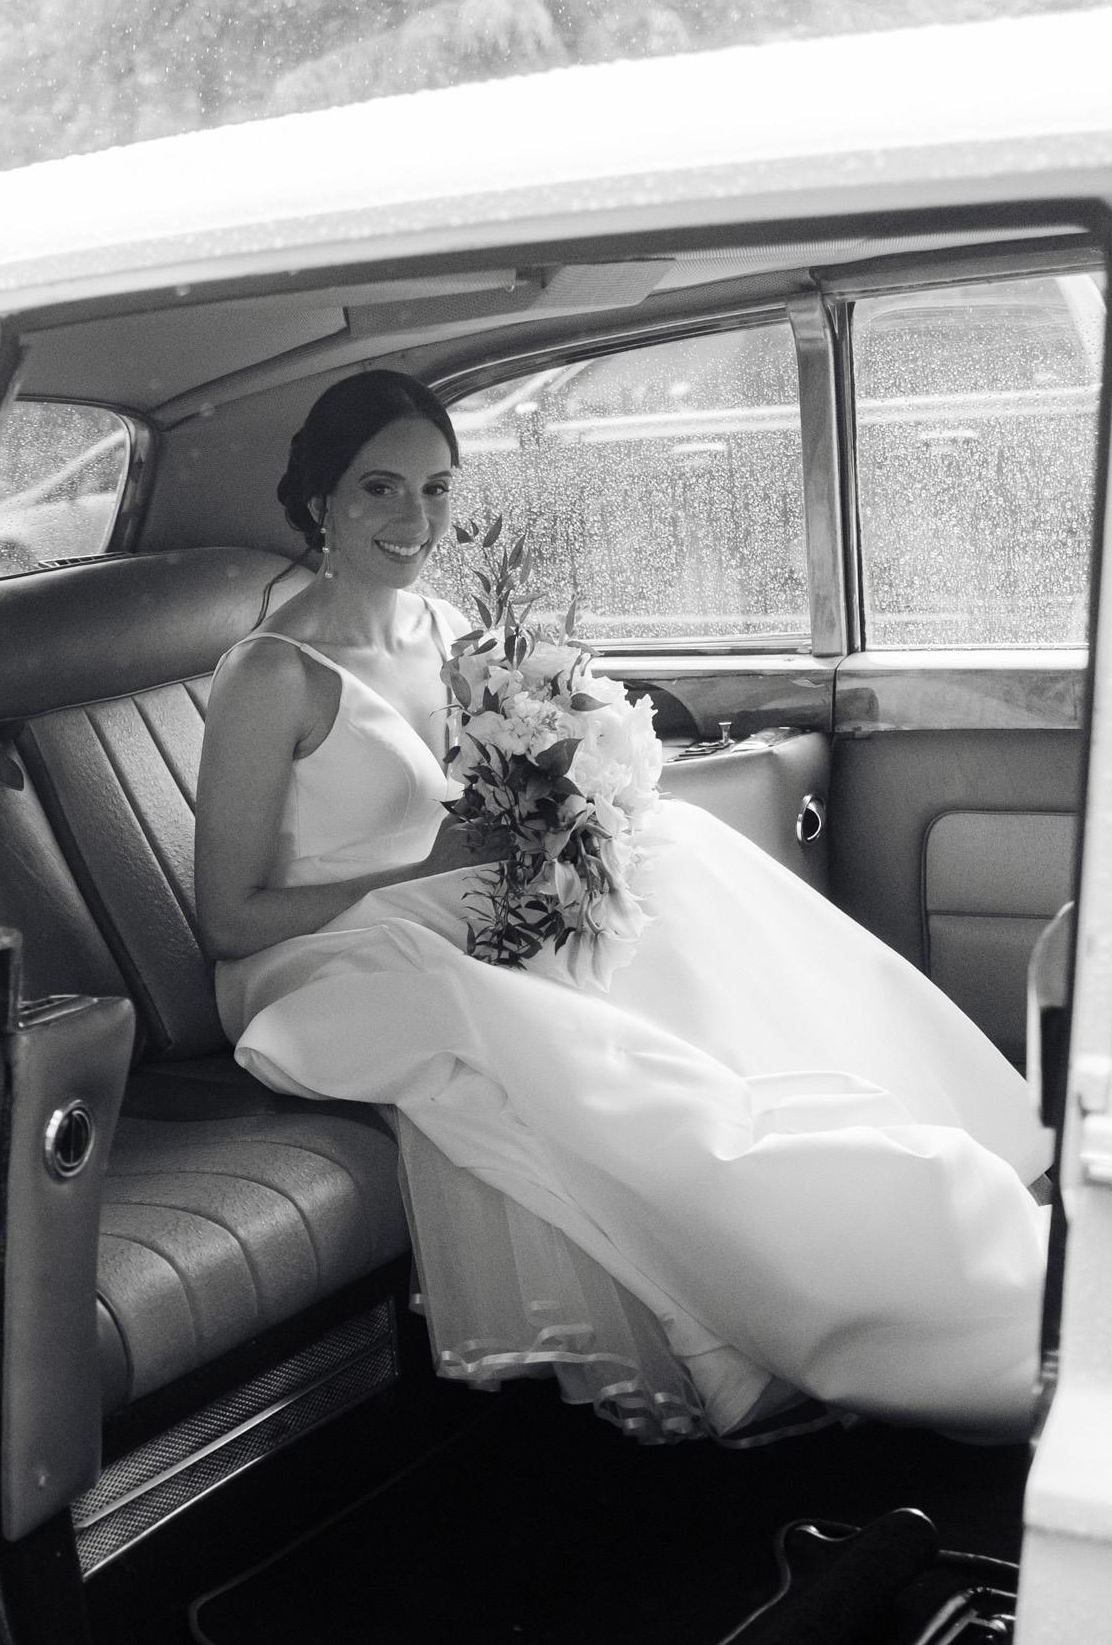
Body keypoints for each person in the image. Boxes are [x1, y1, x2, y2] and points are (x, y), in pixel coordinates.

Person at [194, 368, 1049, 1444]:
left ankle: (896, 1172)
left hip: (449, 903)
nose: (412, 520)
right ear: (318, 499)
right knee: (533, 1020)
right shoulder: (268, 673)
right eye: (377, 489)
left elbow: (488, 797)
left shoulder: (448, 627)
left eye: (436, 489)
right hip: (311, 956)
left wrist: (561, 816)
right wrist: (433, 869)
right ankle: (797, 1275)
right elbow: (226, 921)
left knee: (675, 853)